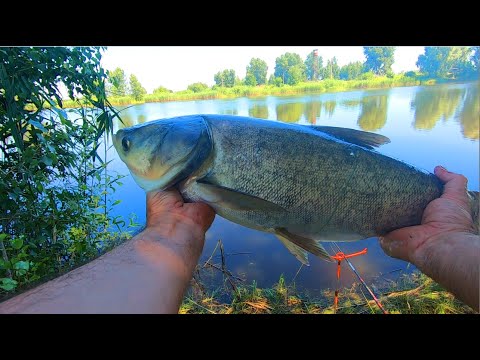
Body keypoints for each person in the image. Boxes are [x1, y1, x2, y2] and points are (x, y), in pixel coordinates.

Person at [0, 166, 478, 313]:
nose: (126, 148)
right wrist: (448, 242)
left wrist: (451, 239)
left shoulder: (201, 160)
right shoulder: (197, 170)